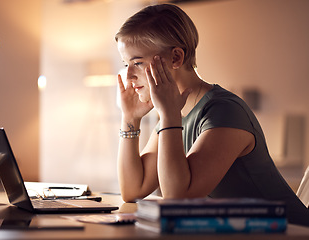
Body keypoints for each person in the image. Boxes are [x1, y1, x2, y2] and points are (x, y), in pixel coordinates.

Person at [115, 3, 309, 227]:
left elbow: (178, 200)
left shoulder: (224, 111)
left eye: (137, 62)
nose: (128, 76)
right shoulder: (175, 113)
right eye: (125, 64)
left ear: (176, 58)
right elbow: (133, 189)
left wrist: (169, 115)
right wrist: (130, 119)